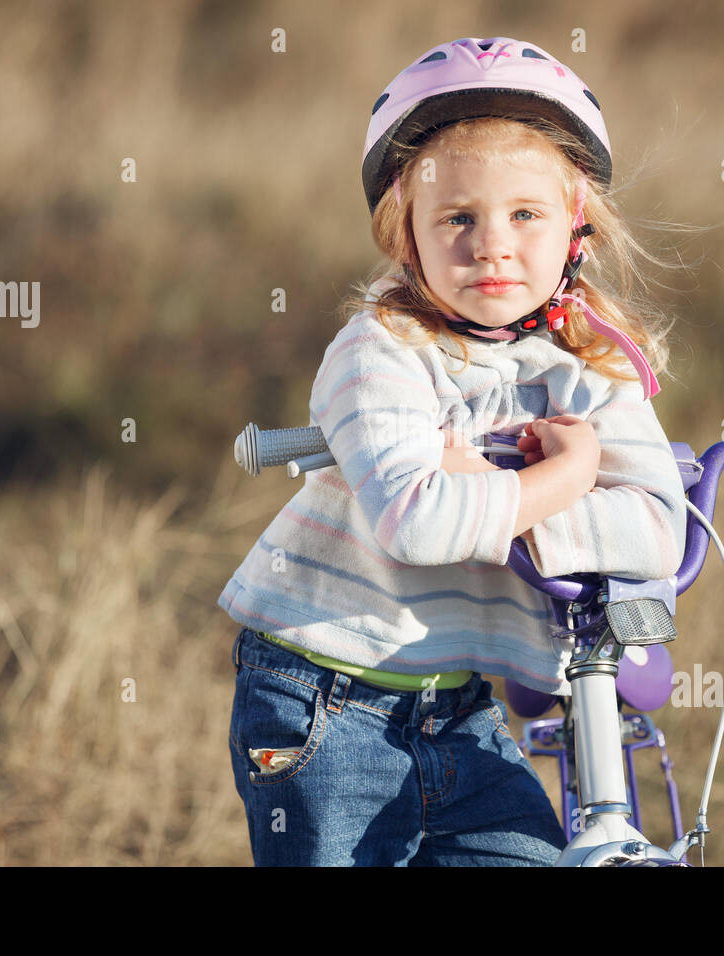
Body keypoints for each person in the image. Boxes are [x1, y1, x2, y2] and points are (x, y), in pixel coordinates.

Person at [218, 36, 688, 866]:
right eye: (457, 218)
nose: (492, 244)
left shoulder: (590, 361)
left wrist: (508, 503)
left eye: (525, 215)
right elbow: (417, 524)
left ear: (575, 226)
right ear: (409, 235)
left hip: (458, 703)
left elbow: (656, 532)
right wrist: (570, 475)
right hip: (323, 695)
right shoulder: (380, 351)